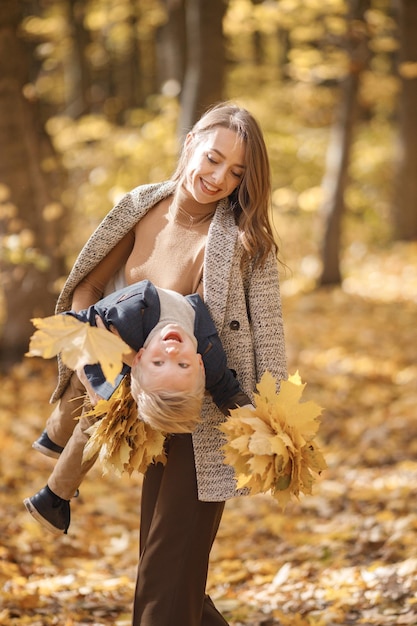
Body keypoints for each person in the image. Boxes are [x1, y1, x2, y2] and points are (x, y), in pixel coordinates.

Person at [27, 101, 287, 626]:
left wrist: (273, 423)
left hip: (211, 415)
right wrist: (90, 351)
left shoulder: (244, 240)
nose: (219, 178)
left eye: (237, 173)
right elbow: (90, 286)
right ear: (190, 141)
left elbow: (270, 333)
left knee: (166, 573)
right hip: (146, 404)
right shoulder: (140, 205)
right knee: (170, 572)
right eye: (213, 159)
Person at [24, 279, 252, 534]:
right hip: (106, 340)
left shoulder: (138, 323)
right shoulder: (143, 312)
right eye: (182, 365)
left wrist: (256, 424)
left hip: (120, 346)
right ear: (200, 365)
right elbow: (225, 387)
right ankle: (53, 443)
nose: (172, 353)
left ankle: (52, 469)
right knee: (89, 395)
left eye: (159, 362)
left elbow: (226, 391)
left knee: (96, 411)